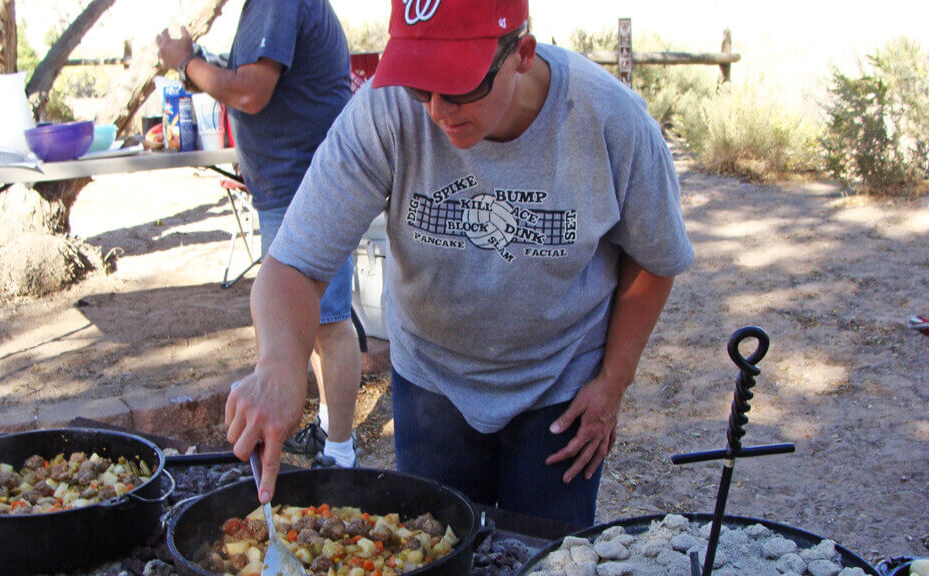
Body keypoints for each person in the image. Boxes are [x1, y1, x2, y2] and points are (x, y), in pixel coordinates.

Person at [225, 0, 694, 525]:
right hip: (431, 379)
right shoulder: (385, 110)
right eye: (420, 86)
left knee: (548, 556)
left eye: (459, 86)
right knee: (434, 545)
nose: (437, 111)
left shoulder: (609, 118)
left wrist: (613, 382)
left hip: (560, 382)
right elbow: (294, 264)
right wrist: (280, 362)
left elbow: (655, 258)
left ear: (522, 54)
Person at [155, 0, 362, 469]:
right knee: (307, 324)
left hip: (306, 186)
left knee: (328, 324)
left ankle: (342, 454)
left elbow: (250, 94)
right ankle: (331, 433)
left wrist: (185, 62)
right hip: (287, 187)